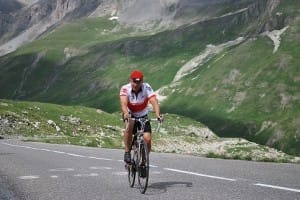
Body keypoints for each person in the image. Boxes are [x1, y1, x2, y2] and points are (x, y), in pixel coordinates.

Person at [119, 69, 162, 163]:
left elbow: (154, 101)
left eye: (138, 82)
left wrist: (158, 114)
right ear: (130, 80)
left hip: (143, 115)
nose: (136, 84)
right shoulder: (125, 89)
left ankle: (143, 162)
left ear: (142, 81)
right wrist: (126, 113)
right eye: (134, 81)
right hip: (130, 113)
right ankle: (127, 152)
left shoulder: (147, 87)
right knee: (129, 126)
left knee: (147, 139)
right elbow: (123, 104)